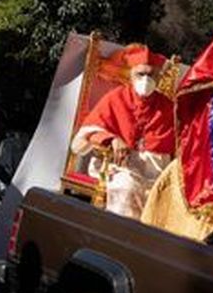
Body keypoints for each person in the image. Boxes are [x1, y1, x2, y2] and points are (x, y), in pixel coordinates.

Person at [69, 45, 175, 218]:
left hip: (155, 173)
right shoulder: (116, 97)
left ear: (159, 77)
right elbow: (88, 133)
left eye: (151, 74)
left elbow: (180, 142)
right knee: (128, 188)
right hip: (118, 167)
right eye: (141, 74)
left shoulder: (168, 106)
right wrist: (111, 139)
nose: (146, 79)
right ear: (131, 74)